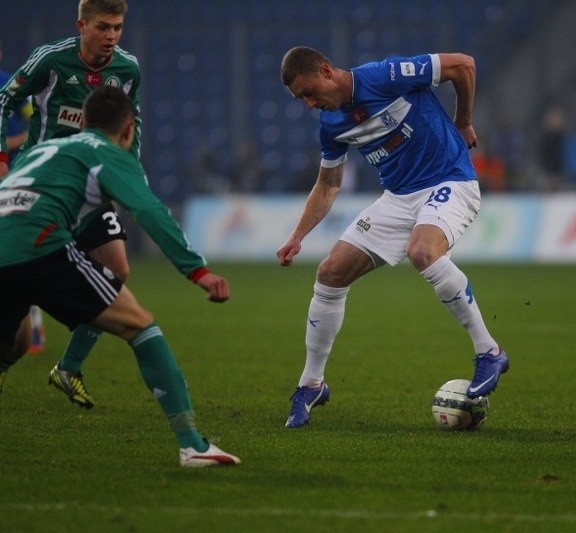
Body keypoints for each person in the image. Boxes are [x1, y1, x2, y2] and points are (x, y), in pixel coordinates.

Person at [0, 86, 240, 467]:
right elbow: (149, 211)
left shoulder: (39, 151)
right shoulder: (106, 153)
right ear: (128, 129)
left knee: (13, 343)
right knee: (140, 326)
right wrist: (197, 271)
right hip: (40, 246)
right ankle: (193, 446)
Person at [277, 46, 509, 428]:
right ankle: (311, 384)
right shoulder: (331, 124)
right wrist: (297, 235)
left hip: (449, 180)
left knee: (422, 251)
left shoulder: (384, 76)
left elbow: (464, 65)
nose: (308, 104)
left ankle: (490, 351)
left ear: (325, 70)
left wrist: (463, 120)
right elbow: (328, 184)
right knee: (330, 273)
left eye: (308, 92)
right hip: (399, 199)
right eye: (301, 99)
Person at [0, 0, 141, 404]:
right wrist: (2, 158)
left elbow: (135, 119)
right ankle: (4, 360)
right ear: (82, 25)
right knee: (19, 289)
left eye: (117, 27)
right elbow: (3, 100)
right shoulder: (50, 60)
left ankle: (68, 367)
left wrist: (128, 175)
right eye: (103, 27)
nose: (111, 36)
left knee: (117, 269)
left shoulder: (127, 69)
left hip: (90, 185)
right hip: (41, 187)